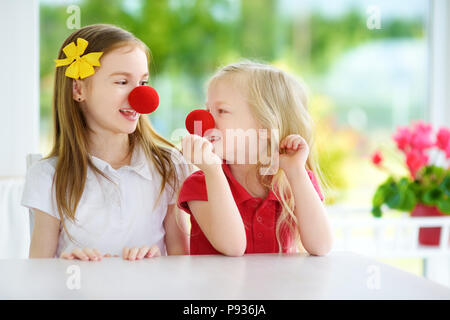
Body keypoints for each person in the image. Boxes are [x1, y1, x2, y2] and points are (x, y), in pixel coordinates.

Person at [22, 24, 191, 261]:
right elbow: (39, 273)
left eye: (143, 83)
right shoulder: (48, 176)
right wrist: (64, 266)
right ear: (78, 89)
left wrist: (158, 263)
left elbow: (182, 262)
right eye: (122, 82)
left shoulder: (168, 165)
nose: (139, 97)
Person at [178, 61, 333, 256]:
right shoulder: (201, 183)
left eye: (222, 111)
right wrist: (213, 170)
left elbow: (321, 247)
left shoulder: (293, 180)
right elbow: (232, 247)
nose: (205, 119)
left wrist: (296, 172)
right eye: (208, 110)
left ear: (265, 126)